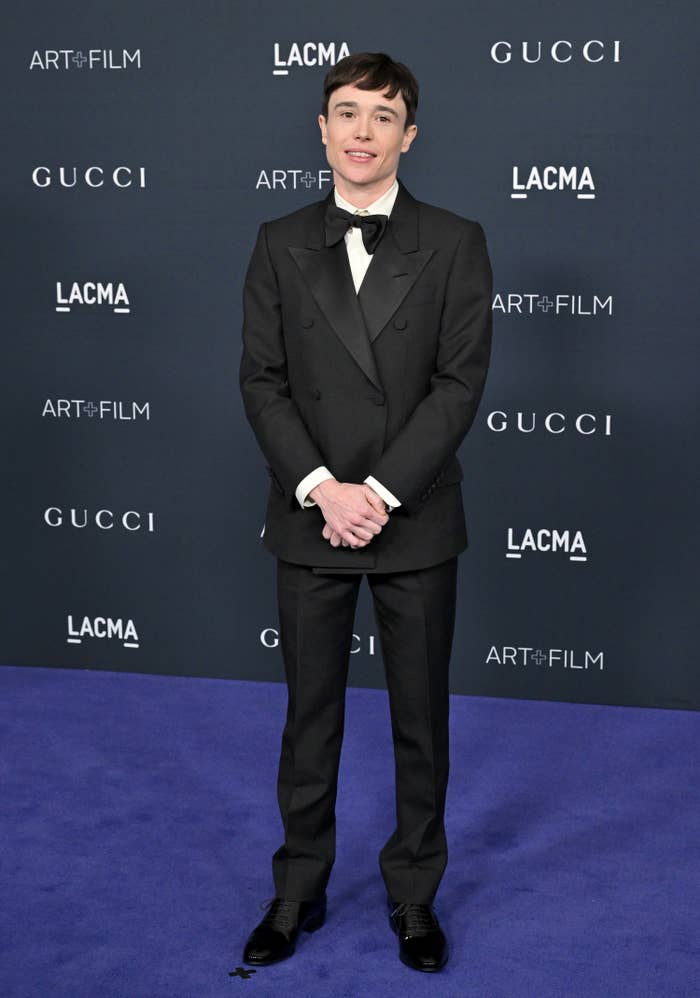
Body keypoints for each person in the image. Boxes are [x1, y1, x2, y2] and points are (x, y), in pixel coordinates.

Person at [238, 51, 493, 973]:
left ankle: (414, 893)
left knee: (421, 719)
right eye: (346, 112)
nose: (360, 131)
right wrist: (324, 490)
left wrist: (379, 494)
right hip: (311, 513)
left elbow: (458, 387)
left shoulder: (457, 240)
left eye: (382, 117)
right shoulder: (277, 238)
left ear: (408, 136)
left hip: (414, 517)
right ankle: (298, 888)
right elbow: (261, 381)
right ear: (321, 127)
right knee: (309, 718)